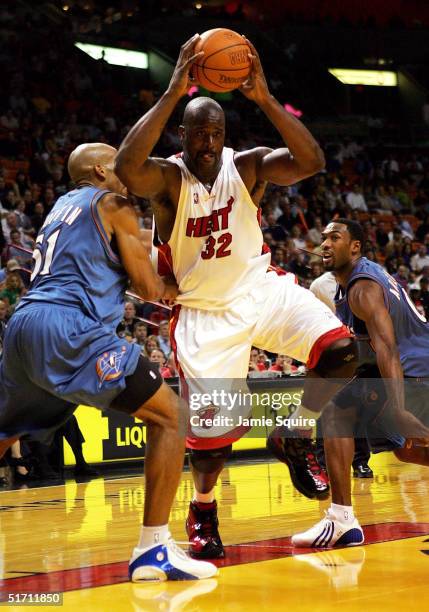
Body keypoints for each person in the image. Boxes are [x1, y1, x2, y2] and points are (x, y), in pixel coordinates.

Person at [115, 34, 361, 559]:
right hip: (206, 316)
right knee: (210, 448)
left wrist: (266, 99)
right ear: (182, 134)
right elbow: (125, 170)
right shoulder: (168, 178)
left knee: (341, 353)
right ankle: (203, 510)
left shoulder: (245, 165)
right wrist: (172, 91)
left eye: (216, 132)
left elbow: (312, 160)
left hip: (261, 290)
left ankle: (294, 432)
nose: (208, 142)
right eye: (199, 133)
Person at [0, 142, 216, 582]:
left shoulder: (63, 206)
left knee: (5, 431)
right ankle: (153, 550)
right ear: (101, 170)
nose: (128, 165)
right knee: (172, 417)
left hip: (23, 325)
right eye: (119, 160)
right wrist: (186, 285)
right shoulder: (115, 202)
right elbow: (148, 287)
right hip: (67, 325)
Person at [292, 219, 429, 548]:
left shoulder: (361, 289)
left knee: (337, 412)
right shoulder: (361, 277)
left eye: (334, 238)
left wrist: (397, 408)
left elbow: (387, 347)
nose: (325, 243)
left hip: (413, 370)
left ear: (355, 247)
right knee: (407, 451)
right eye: (323, 238)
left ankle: (341, 520)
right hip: (411, 366)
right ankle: (342, 520)